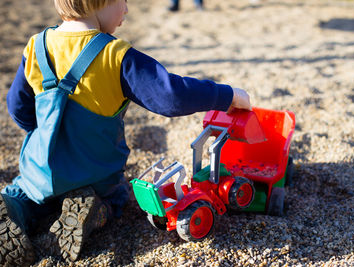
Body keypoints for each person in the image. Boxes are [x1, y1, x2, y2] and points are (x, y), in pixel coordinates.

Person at [1, 0, 251, 265]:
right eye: (123, 1)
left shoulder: (36, 46)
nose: (127, 10)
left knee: (24, 193)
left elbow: (17, 108)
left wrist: (45, 133)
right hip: (95, 176)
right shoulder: (116, 55)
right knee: (117, 196)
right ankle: (97, 210)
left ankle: (14, 209)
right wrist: (228, 95)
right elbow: (170, 96)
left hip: (40, 173)